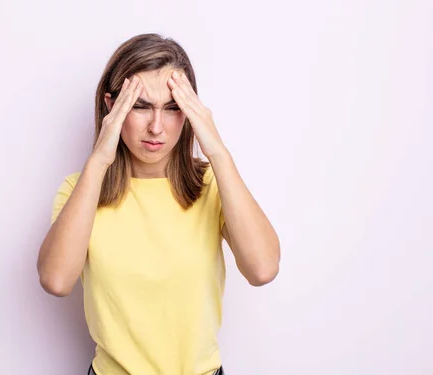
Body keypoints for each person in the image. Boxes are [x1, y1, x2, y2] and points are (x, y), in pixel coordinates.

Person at [37, 33, 281, 375]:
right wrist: (99, 161)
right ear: (112, 106)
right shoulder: (81, 189)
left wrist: (218, 153)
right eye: (140, 106)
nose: (156, 127)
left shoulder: (212, 186)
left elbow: (263, 269)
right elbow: (56, 280)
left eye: (172, 108)